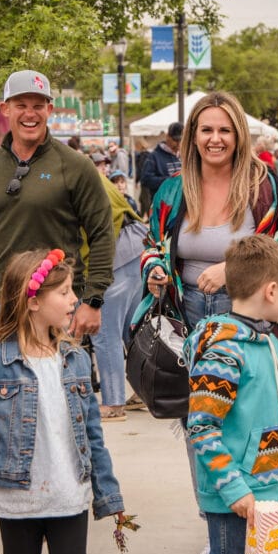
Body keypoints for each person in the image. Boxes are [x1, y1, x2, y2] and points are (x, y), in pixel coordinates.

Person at [136, 91, 278, 554]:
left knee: (253, 416)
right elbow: (151, 241)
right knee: (200, 421)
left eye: (225, 130)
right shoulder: (172, 188)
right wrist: (155, 270)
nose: (215, 138)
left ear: (238, 135)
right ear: (193, 137)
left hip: (245, 308)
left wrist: (232, 268)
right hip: (185, 316)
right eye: (206, 130)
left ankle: (264, 513)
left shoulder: (263, 185)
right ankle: (219, 521)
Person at [0, 249, 125, 554]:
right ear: (33, 302)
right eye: (64, 292)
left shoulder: (75, 359)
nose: (74, 300)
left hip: (69, 494)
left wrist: (107, 492)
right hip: (17, 500)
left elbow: (93, 435)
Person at [0, 69, 114, 356]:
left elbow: (102, 235)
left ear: (49, 110)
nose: (29, 114)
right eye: (21, 105)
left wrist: (93, 300)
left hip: (57, 305)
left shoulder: (75, 165)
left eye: (37, 105)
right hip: (0, 303)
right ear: (5, 109)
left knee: (57, 394)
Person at [184, 235, 278, 554]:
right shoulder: (223, 352)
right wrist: (234, 489)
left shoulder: (270, 343)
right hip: (237, 500)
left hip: (276, 490)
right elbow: (201, 427)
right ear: (270, 291)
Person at [92, 168, 149, 421]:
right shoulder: (93, 176)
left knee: (106, 332)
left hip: (116, 252)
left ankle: (114, 403)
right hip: (135, 246)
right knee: (132, 331)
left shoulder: (69, 179)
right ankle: (145, 391)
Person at [140, 121, 183, 204]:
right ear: (167, 136)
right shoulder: (154, 156)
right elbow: (145, 180)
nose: (178, 143)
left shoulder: (184, 155)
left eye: (181, 140)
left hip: (181, 204)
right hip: (162, 205)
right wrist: (169, 181)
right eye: (175, 140)